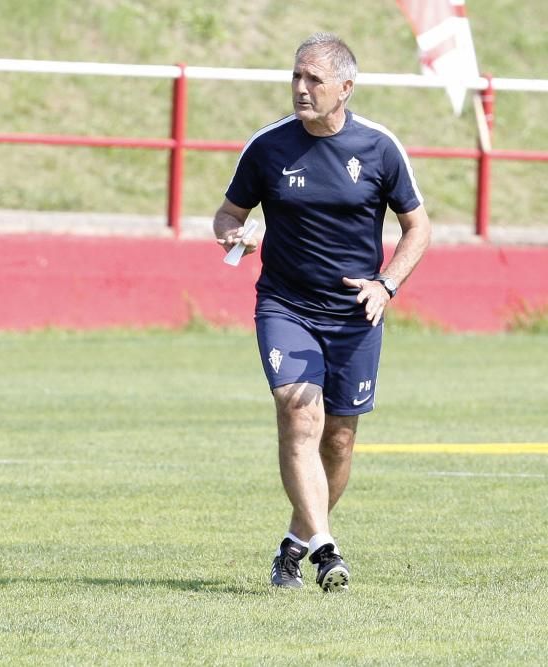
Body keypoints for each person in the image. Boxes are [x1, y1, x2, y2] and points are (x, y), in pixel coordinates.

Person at [212, 32, 430, 592]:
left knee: (338, 439)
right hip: (285, 305)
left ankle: (294, 543)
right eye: (296, 77)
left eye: (314, 79)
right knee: (298, 411)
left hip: (356, 315)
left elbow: (418, 228)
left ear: (345, 88)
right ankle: (327, 549)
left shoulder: (380, 148)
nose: (301, 89)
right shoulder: (267, 147)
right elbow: (226, 213)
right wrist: (234, 233)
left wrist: (387, 284)